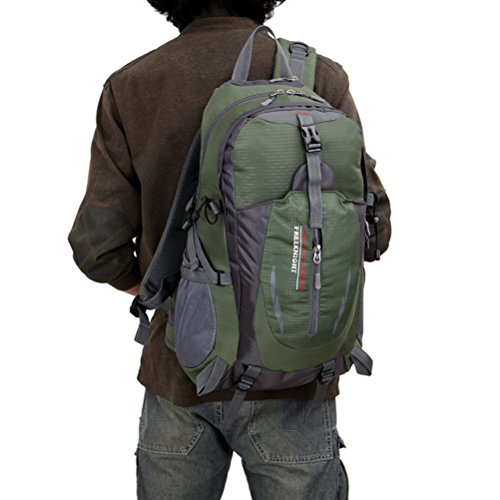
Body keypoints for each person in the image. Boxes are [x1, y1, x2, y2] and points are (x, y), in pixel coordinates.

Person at [68, 0, 391, 498]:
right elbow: (374, 231)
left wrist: (170, 295)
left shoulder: (134, 84)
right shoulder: (317, 77)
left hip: (180, 369)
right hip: (298, 373)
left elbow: (98, 246)